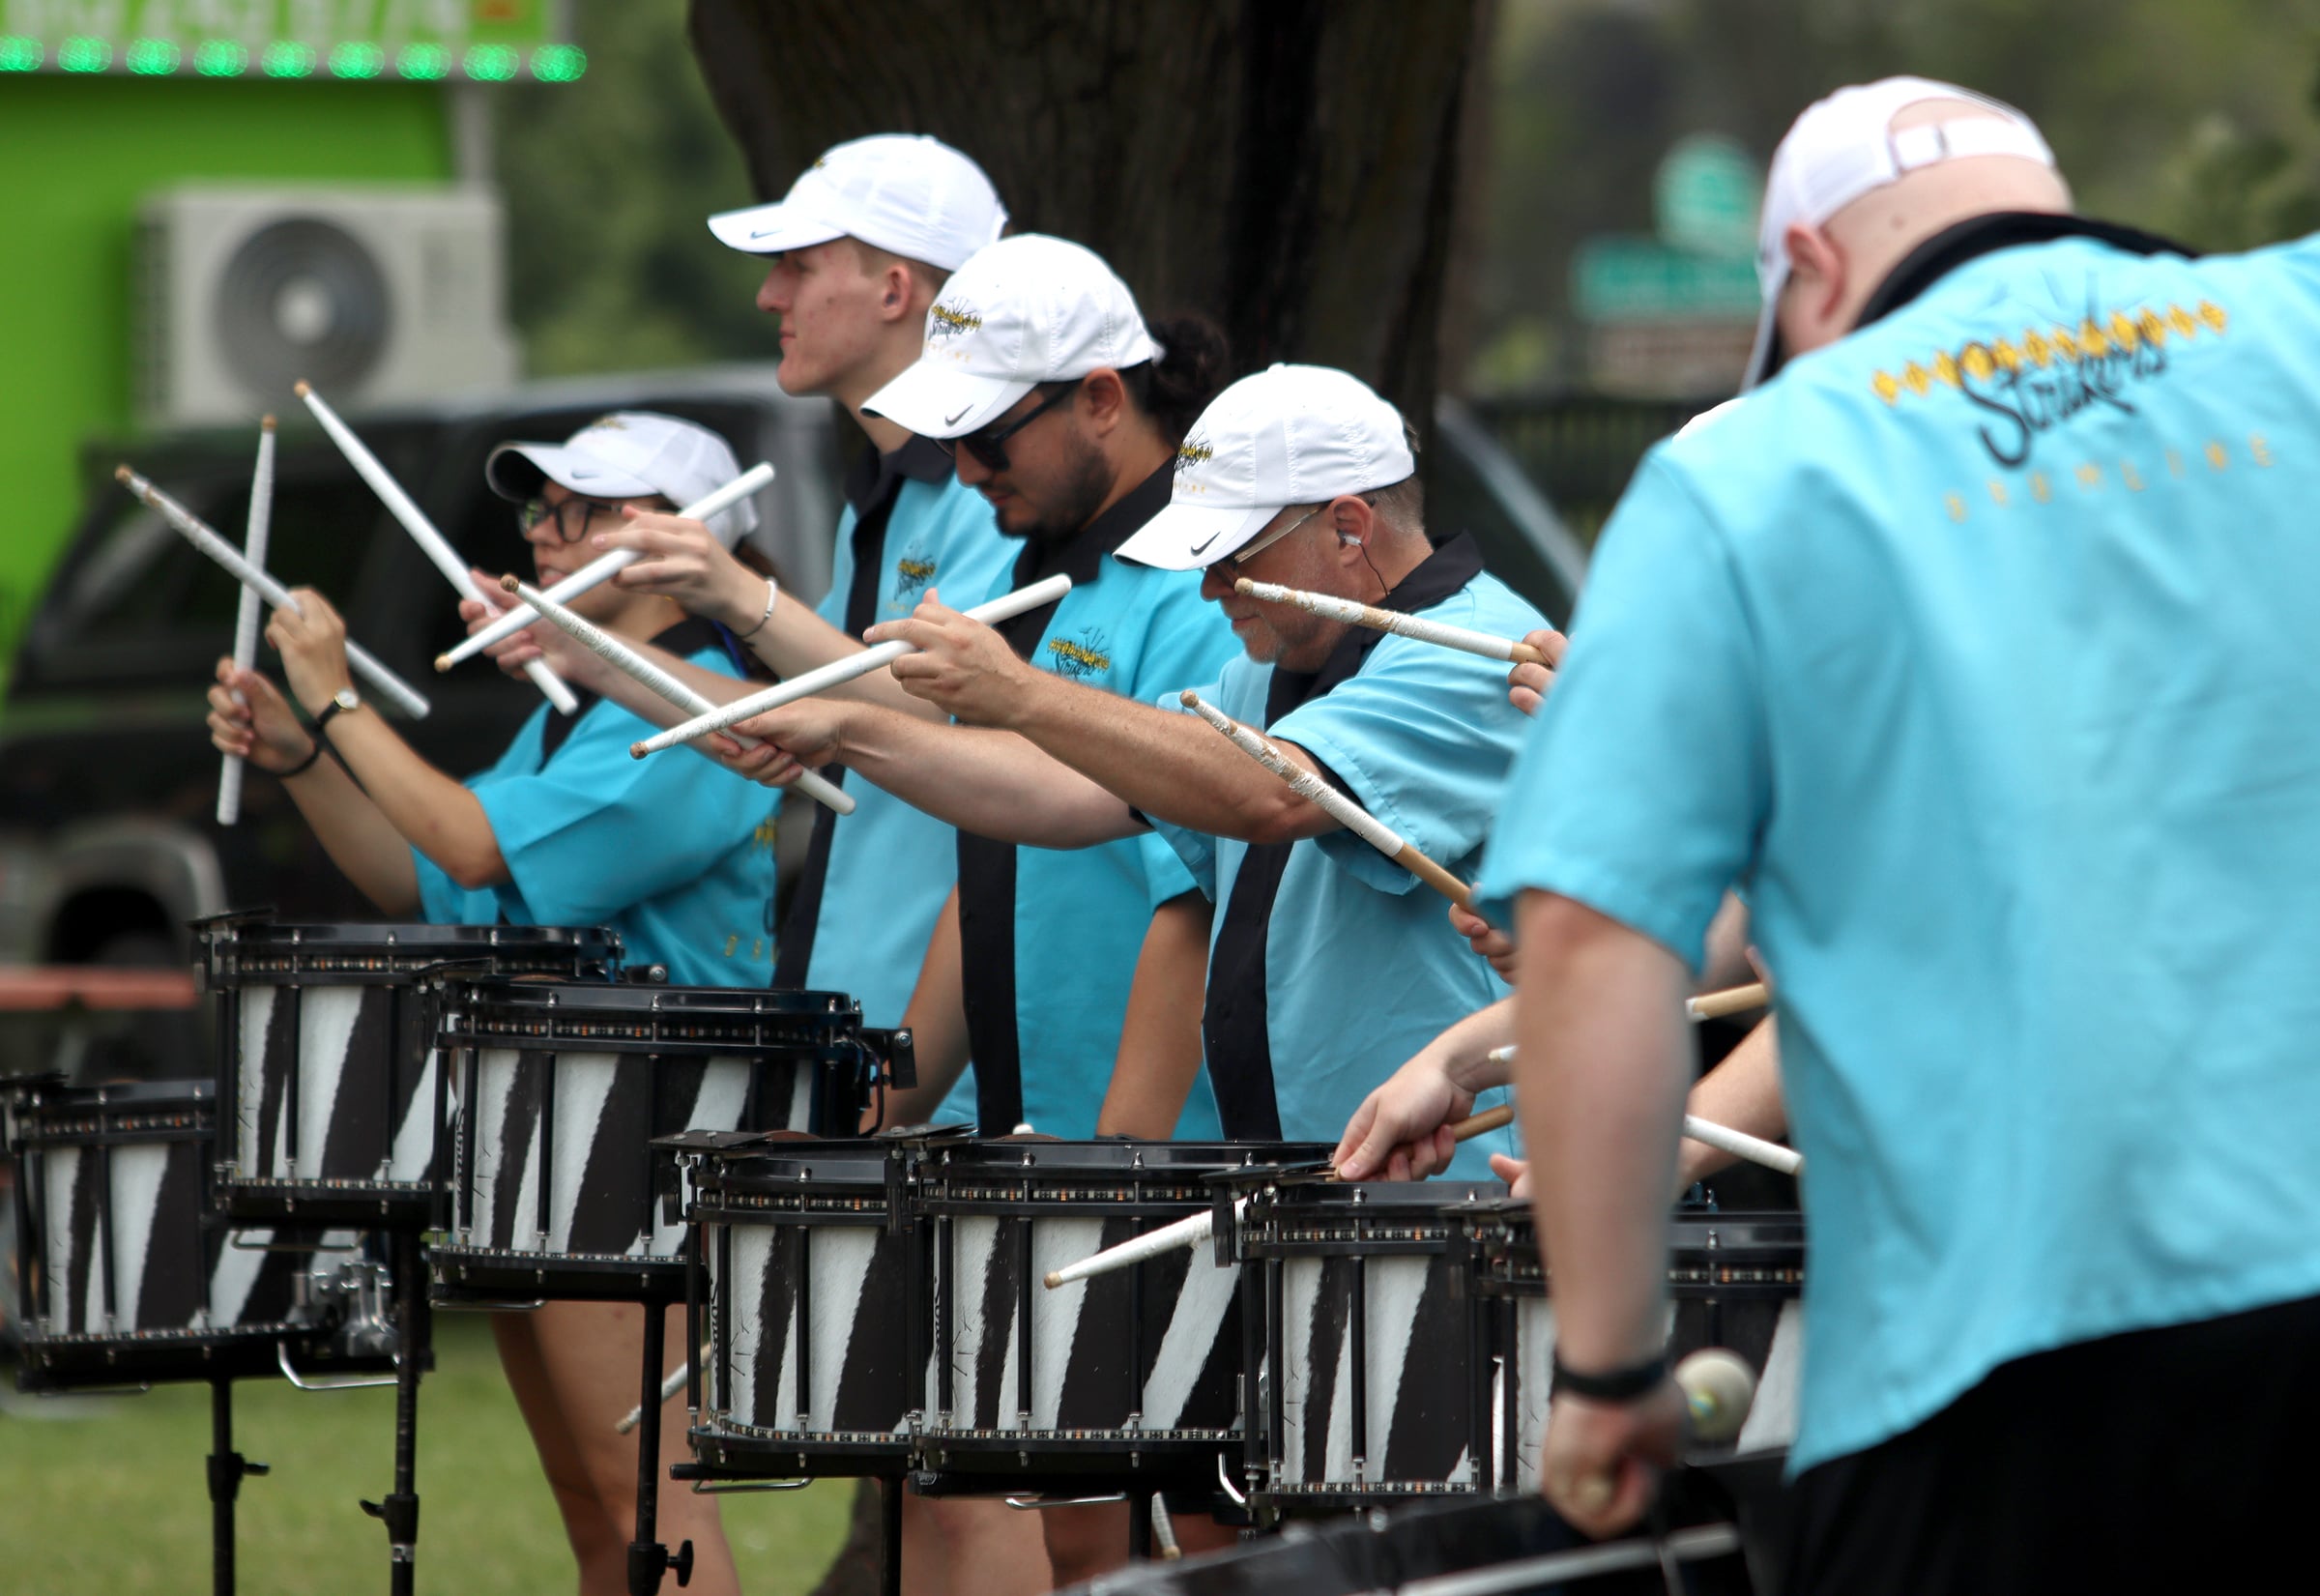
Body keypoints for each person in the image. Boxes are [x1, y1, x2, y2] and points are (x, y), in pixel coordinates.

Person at [1475, 74, 2320, 1592]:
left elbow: (1594, 931)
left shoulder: (1752, 470)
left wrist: (1605, 1367)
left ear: (1808, 267)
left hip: (2001, 1367)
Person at [470, 135, 1054, 1596]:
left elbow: (952, 728)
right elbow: (858, 726)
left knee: (978, 1491)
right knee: (925, 1488)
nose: (771, 297)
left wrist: (734, 599)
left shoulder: (983, 491)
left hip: (961, 1057)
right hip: (883, 1040)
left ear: (898, 284)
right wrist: (645, 645)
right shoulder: (889, 491)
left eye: (799, 266)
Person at [208, 411, 776, 1596]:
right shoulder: (576, 710)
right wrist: (302, 754)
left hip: (637, 1132)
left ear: (684, 543)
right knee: (591, 1499)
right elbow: (425, 877)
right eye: (542, 508)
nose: (548, 533)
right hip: (546, 1127)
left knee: (645, 1503)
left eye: (587, 508)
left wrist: (335, 697)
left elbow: (466, 844)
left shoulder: (703, 710)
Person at [727, 363, 1540, 1178]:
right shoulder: (1272, 665)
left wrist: (1015, 691)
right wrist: (849, 731)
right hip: (1321, 1184)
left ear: (1350, 527)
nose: (1210, 584)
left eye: (1232, 554)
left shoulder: (1469, 653)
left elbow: (1272, 792)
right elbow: (1067, 789)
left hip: (1452, 1189)